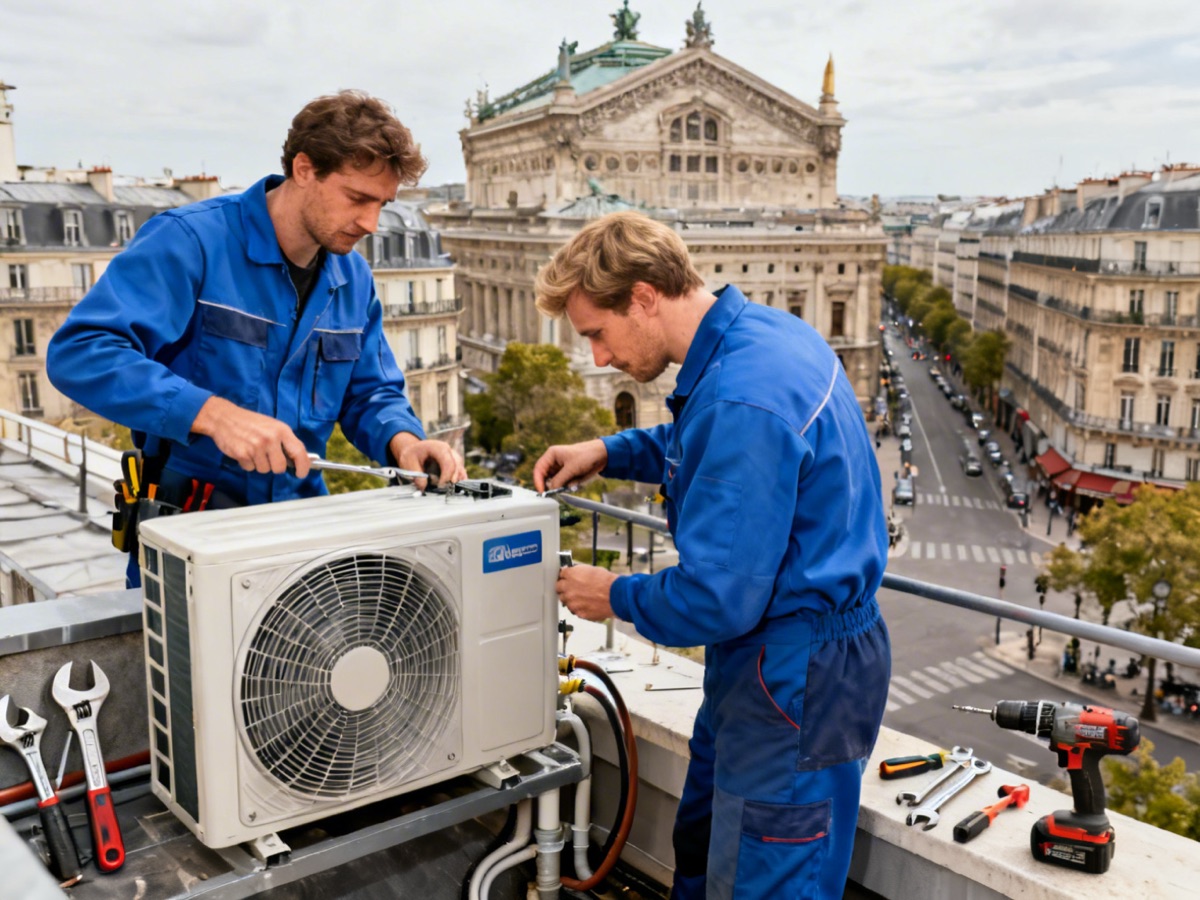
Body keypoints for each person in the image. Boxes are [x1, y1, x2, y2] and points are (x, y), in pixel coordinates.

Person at [530, 211, 890, 898]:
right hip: (775, 659)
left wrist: (611, 594)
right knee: (703, 845)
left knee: (764, 877)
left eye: (597, 335)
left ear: (642, 296)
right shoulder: (762, 338)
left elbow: (715, 598)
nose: (599, 358)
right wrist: (609, 450)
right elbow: (707, 445)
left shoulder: (741, 395)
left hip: (791, 670)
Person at [47, 91, 464, 585]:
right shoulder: (190, 242)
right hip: (192, 541)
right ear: (304, 168)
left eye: (383, 204)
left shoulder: (353, 279)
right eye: (357, 198)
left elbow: (370, 391)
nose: (371, 224)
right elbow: (81, 351)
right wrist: (212, 414)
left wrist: (404, 441)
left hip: (303, 542)